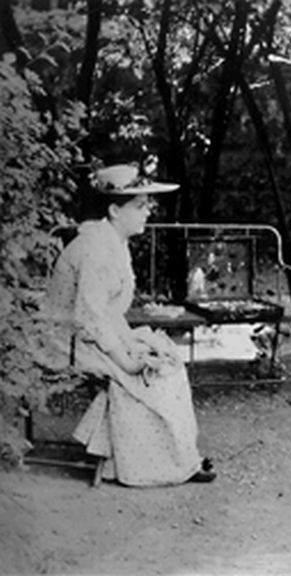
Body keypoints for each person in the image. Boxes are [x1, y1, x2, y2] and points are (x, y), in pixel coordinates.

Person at [44, 161, 216, 486]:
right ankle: (144, 466)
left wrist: (133, 343)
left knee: (165, 359)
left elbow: (108, 315)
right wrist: (126, 358)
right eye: (139, 205)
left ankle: (177, 459)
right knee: (145, 373)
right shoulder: (94, 247)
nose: (148, 211)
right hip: (67, 341)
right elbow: (89, 317)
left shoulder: (116, 243)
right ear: (113, 210)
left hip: (93, 334)